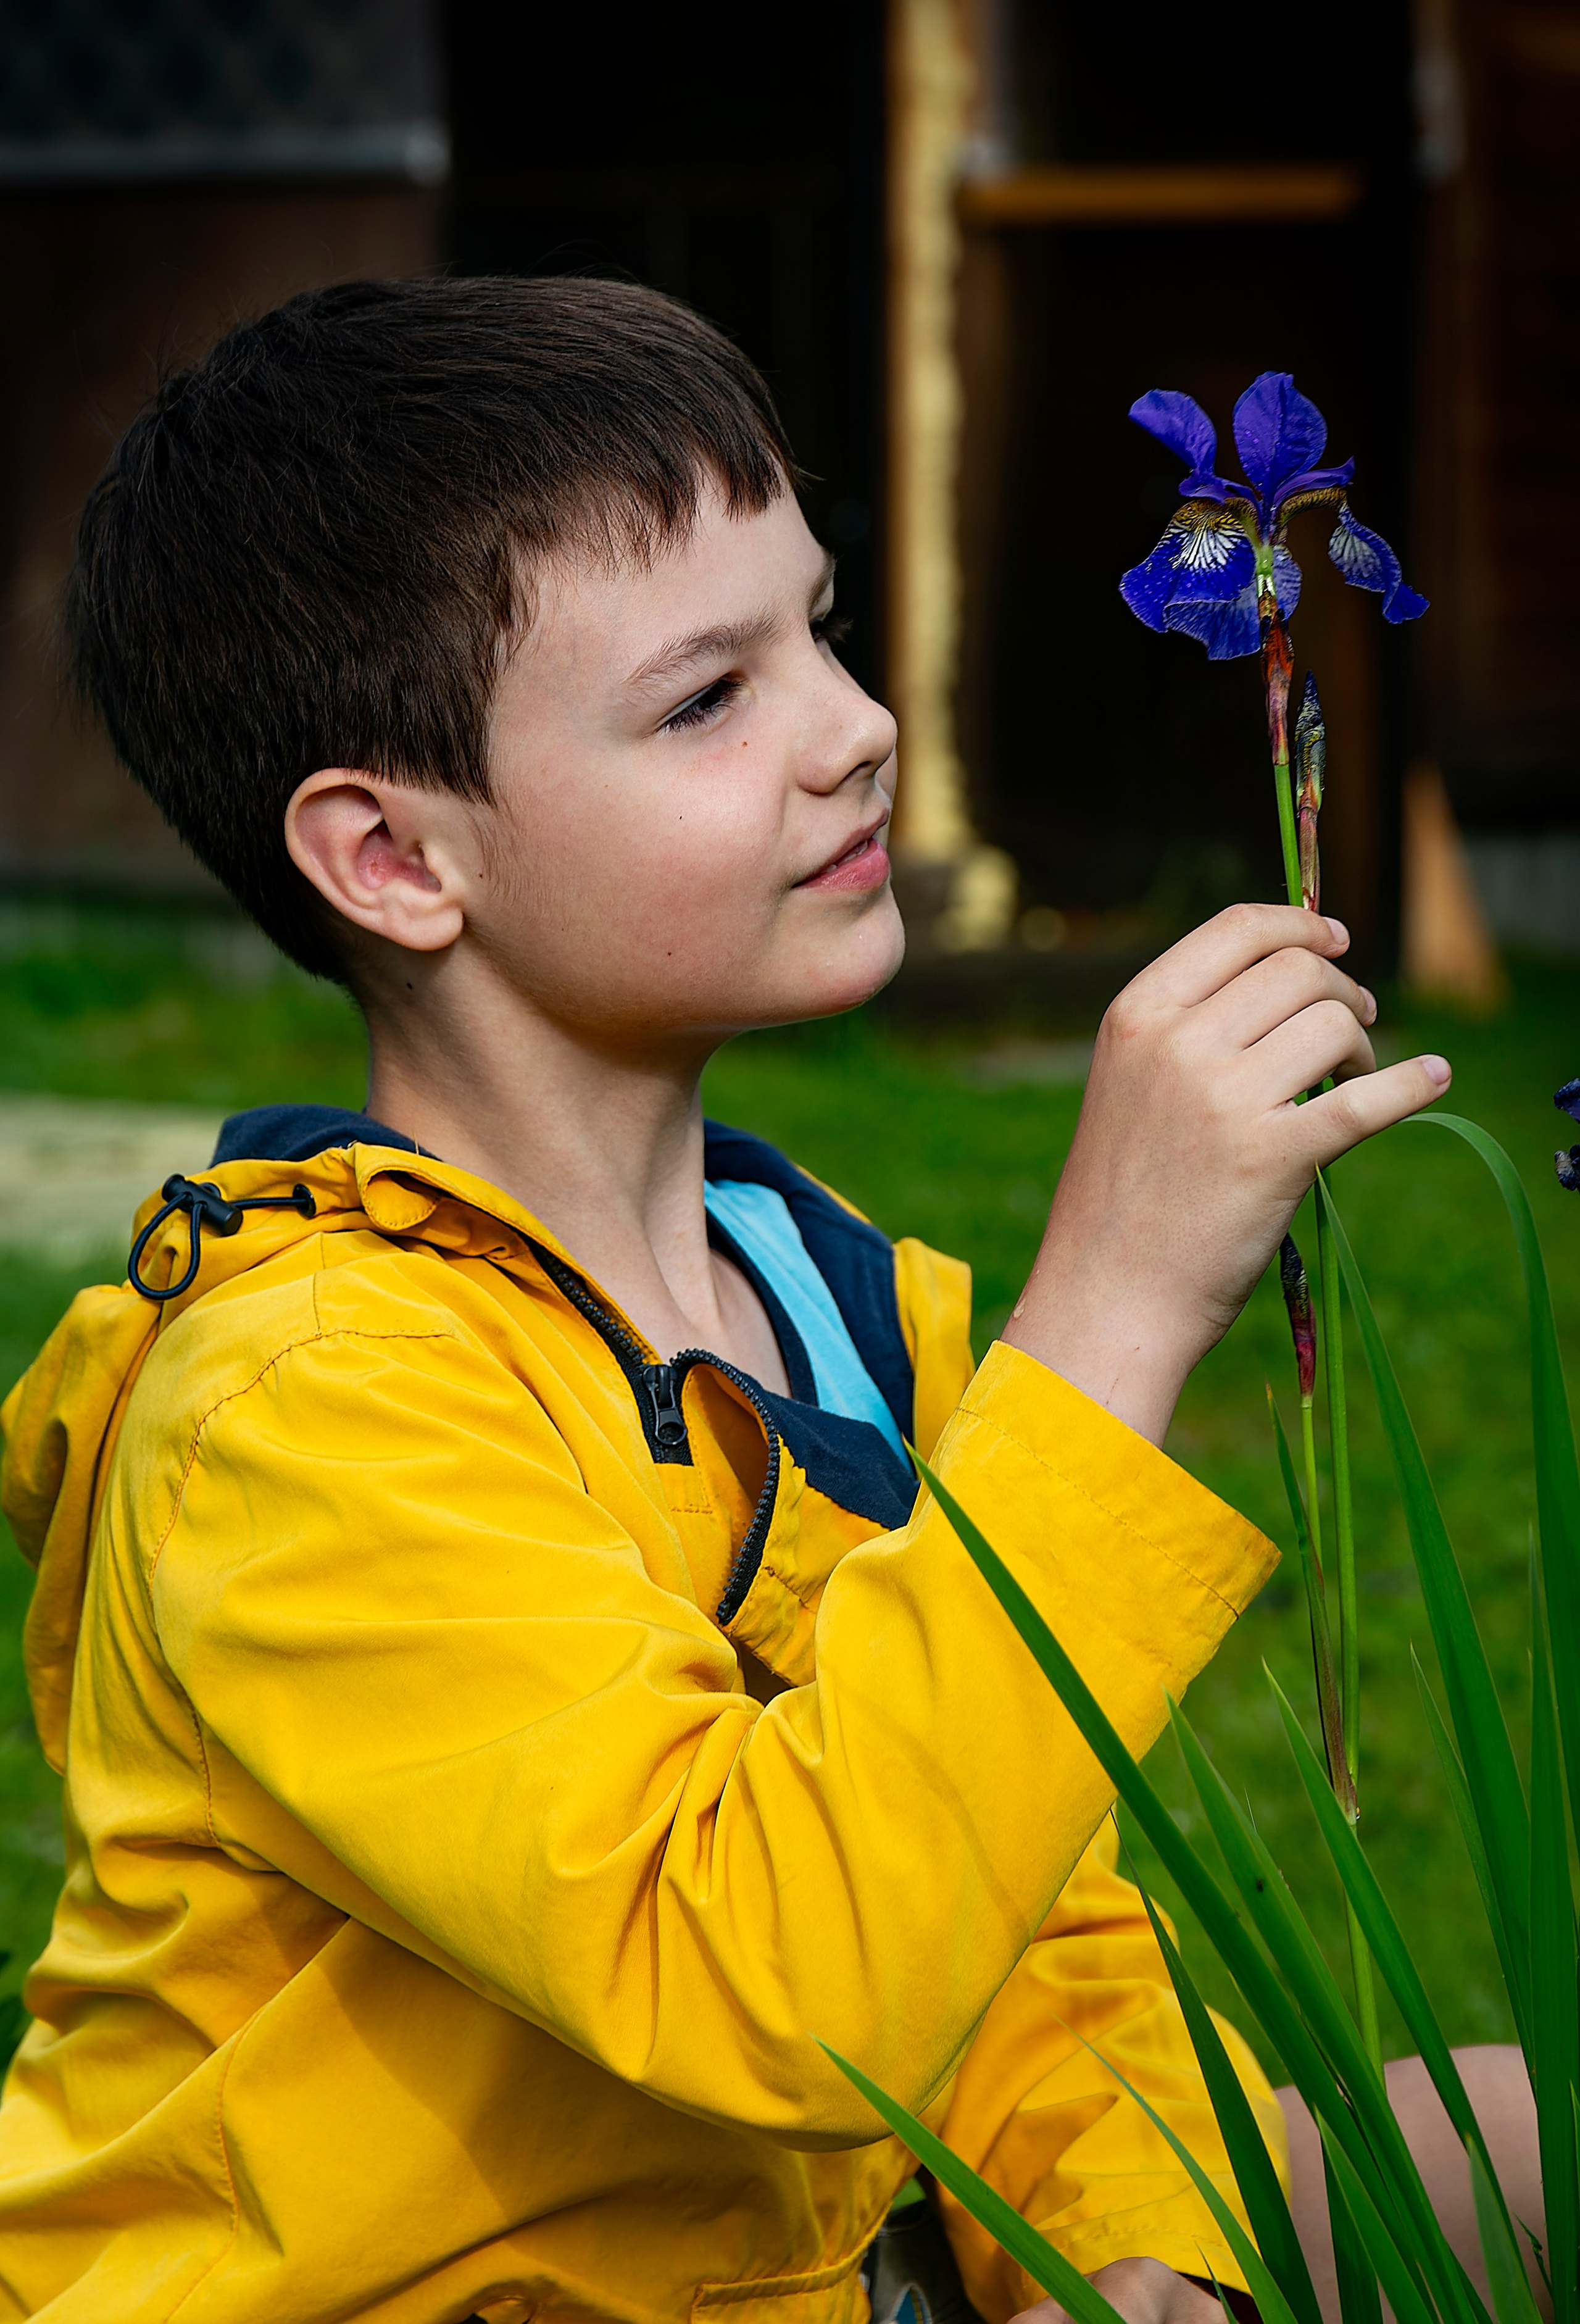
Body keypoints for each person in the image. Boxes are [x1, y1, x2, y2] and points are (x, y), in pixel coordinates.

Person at [0, 279, 1452, 2324]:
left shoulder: (843, 1303)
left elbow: (1034, 1937)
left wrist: (1127, 2264)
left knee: (1512, 2129)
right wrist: (1113, 1308)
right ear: (396, 859)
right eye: (707, 700)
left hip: (838, 2266)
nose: (856, 729)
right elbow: (770, 1977)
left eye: (823, 627)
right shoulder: (302, 1408)